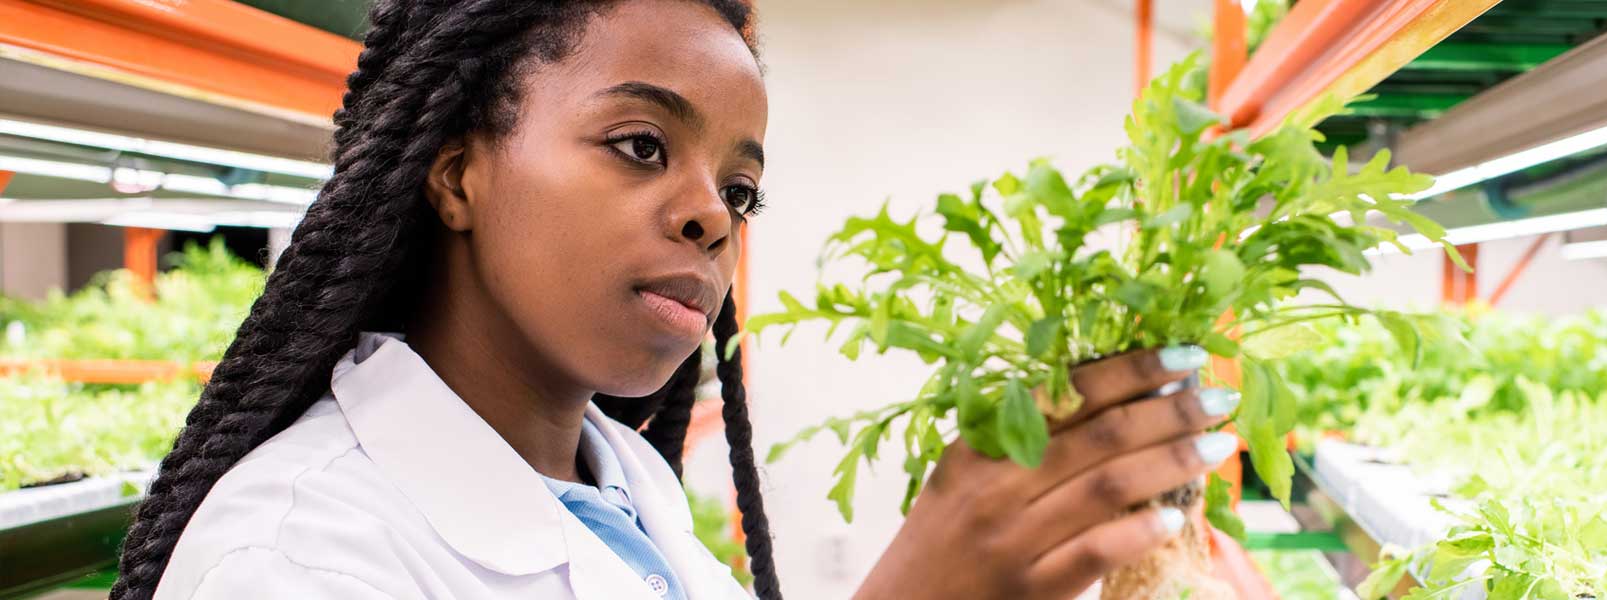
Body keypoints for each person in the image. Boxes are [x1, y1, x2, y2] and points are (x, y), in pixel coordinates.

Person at [113, 1, 1239, 598]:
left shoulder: (620, 477)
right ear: (456, 172)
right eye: (640, 144)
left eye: (739, 188)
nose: (713, 216)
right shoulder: (298, 560)